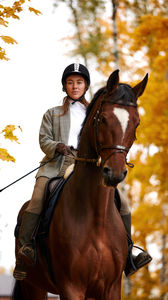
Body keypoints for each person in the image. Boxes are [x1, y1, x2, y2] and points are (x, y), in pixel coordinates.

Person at [13, 63, 152, 281]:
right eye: (70, 82)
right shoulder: (53, 114)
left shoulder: (96, 111)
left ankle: (128, 254)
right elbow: (44, 139)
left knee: (122, 203)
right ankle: (25, 250)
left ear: (85, 85)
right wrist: (57, 146)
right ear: (64, 86)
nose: (75, 86)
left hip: (87, 164)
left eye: (79, 82)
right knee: (38, 198)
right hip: (56, 164)